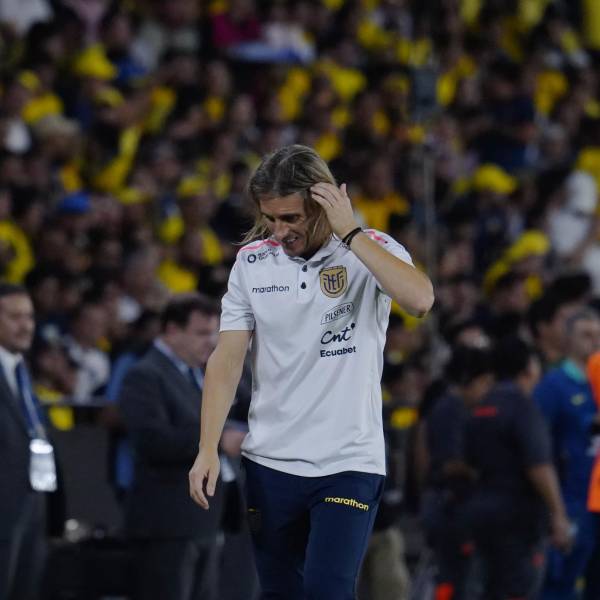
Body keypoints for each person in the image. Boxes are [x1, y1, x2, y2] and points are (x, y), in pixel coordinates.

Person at [189, 144, 434, 599]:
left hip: (348, 461)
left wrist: (351, 231)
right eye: (270, 218)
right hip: (270, 461)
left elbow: (420, 301)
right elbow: (227, 359)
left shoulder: (371, 249)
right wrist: (207, 447)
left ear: (323, 203)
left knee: (327, 590)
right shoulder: (252, 263)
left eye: (291, 218)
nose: (280, 231)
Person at [118, 293, 224, 600]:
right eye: (202, 333)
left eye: (214, 333)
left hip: (202, 521)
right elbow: (152, 441)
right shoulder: (145, 375)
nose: (211, 342)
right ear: (172, 331)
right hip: (167, 523)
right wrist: (216, 440)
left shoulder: (200, 374)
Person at [465, 337, 572, 600]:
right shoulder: (524, 407)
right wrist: (559, 515)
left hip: (480, 511)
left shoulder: (480, 407)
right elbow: (539, 466)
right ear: (528, 368)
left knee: (487, 590)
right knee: (518, 590)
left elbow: (468, 462)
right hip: (518, 518)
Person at [533, 308, 600, 600]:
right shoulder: (553, 386)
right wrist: (554, 511)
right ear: (568, 339)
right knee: (560, 585)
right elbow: (538, 447)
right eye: (586, 335)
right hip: (571, 500)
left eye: (598, 335)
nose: (594, 342)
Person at [422, 345, 495, 600]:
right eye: (485, 382)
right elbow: (450, 463)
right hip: (448, 507)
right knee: (455, 581)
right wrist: (487, 472)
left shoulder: (459, 408)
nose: (488, 390)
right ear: (468, 380)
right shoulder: (450, 409)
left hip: (455, 506)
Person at [0, 283, 55, 600]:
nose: (26, 326)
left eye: (30, 317)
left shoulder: (21, 369)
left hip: (30, 505)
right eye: (15, 317)